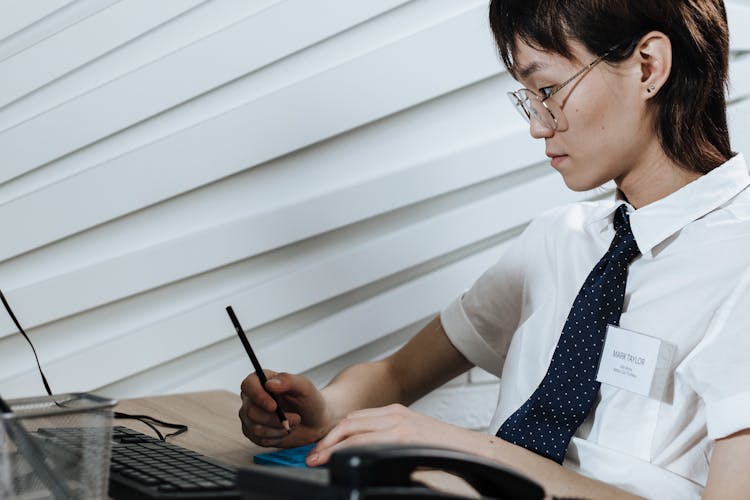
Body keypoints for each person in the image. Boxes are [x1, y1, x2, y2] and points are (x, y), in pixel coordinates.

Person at [239, 1, 750, 498]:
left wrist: (473, 451)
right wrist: (322, 412)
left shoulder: (740, 264)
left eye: (549, 89)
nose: (537, 124)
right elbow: (397, 374)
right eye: (529, 97)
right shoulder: (558, 240)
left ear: (648, 67)